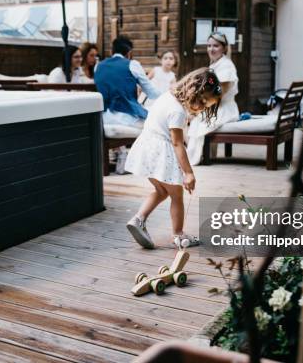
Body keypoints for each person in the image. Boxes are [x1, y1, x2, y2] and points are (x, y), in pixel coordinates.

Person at [124, 67, 222, 249]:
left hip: (146, 149)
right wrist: (188, 173)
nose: (200, 108)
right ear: (194, 91)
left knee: (161, 191)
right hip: (160, 152)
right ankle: (178, 235)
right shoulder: (177, 111)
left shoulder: (167, 97)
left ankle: (138, 219)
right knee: (177, 195)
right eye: (201, 102)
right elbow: (177, 144)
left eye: (205, 107)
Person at [95, 35, 163, 173]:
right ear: (129, 52)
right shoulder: (132, 64)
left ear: (111, 51)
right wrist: (168, 93)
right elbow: (152, 93)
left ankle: (122, 155)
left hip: (103, 118)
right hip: (126, 118)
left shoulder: (99, 66)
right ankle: (146, 162)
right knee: (157, 123)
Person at [186, 32, 240, 165]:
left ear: (224, 48)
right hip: (216, 106)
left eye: (215, 46)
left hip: (224, 109)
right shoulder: (215, 65)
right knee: (187, 116)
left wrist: (198, 110)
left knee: (193, 119)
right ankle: (205, 154)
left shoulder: (226, 66)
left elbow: (219, 94)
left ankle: (194, 156)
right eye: (209, 46)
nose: (211, 49)